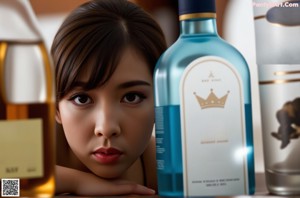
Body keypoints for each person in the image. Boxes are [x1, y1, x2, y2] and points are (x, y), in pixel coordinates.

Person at [50, 0, 167, 195]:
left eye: (131, 97)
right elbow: (7, 188)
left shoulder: (161, 163)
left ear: (161, 100)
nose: (106, 128)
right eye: (82, 99)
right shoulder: (34, 148)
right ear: (55, 107)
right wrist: (76, 183)